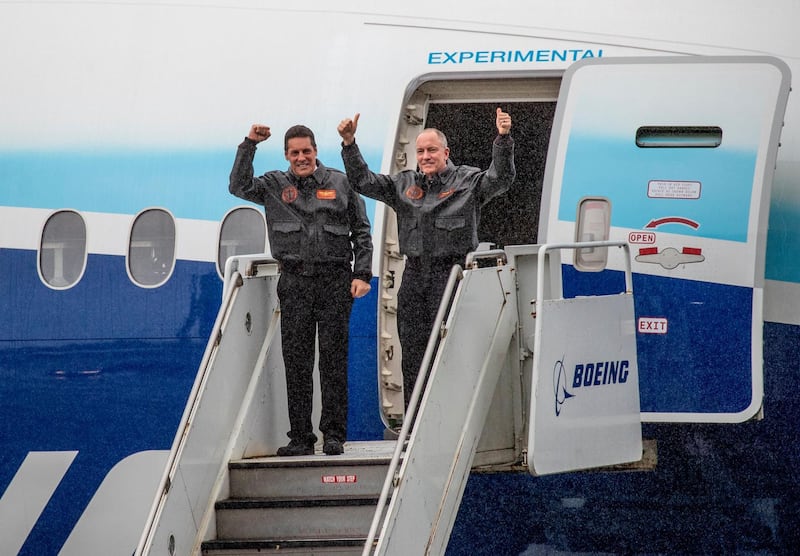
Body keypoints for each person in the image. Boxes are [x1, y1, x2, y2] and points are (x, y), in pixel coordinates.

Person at [337, 108, 515, 409]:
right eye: (420, 151)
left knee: (453, 350)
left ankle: (452, 418)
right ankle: (415, 422)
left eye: (432, 150)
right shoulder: (404, 185)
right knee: (414, 351)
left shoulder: (467, 181)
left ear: (446, 152)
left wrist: (503, 139)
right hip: (415, 276)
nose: (426, 156)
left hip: (453, 275)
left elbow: (500, 179)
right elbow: (363, 182)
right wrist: (349, 144)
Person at [229, 123, 373, 456]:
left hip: (335, 281)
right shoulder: (273, 185)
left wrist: (362, 273)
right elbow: (237, 185)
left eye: (306, 151)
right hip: (294, 282)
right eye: (294, 153)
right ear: (286, 155)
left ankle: (334, 435)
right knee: (297, 362)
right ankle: (301, 437)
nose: (301, 158)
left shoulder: (341, 182)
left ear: (315, 150)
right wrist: (249, 144)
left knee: (333, 361)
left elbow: (362, 231)